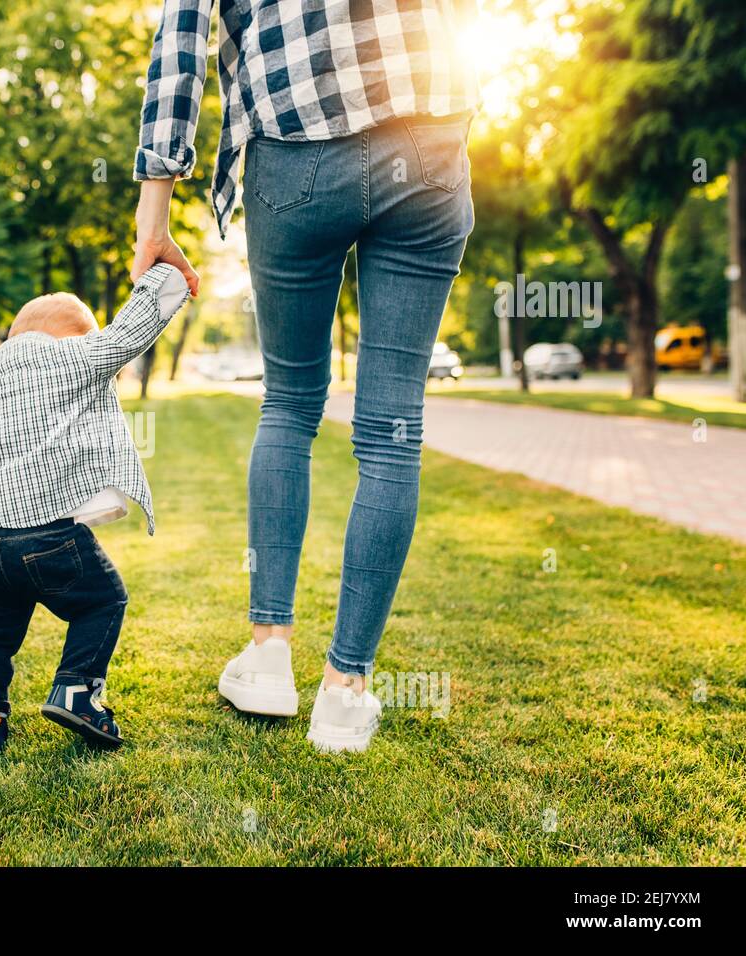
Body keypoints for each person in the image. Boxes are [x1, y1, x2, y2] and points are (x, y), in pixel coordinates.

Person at [132, 0, 478, 752]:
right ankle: (346, 695)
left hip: (294, 145)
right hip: (426, 131)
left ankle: (267, 657)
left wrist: (153, 217)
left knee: (289, 405)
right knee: (394, 428)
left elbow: (181, 43)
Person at [0, 265, 189, 755]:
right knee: (103, 600)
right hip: (48, 537)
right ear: (72, 336)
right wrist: (165, 281)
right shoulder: (72, 356)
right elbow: (129, 334)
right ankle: (77, 689)